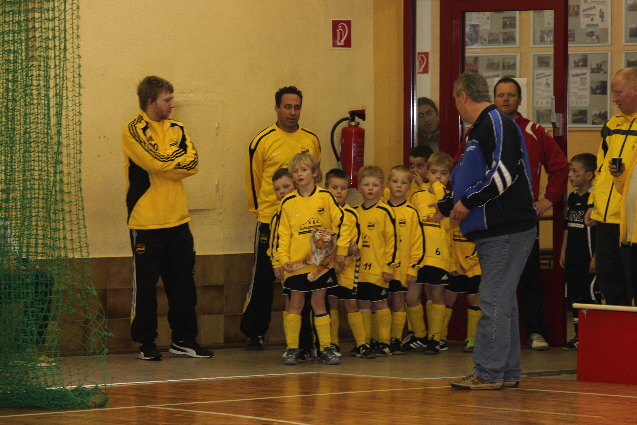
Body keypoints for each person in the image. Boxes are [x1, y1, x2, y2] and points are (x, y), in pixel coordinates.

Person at [440, 70, 536, 390]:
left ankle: (488, 371)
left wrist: (467, 202)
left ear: (463, 96)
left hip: (506, 228)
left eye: (456, 101)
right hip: (493, 230)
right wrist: (445, 206)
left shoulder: (496, 122)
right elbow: (468, 177)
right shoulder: (477, 130)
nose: (456, 108)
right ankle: (506, 371)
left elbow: (503, 174)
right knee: (503, 301)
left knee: (492, 300)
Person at [122, 75, 212, 361]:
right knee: (146, 288)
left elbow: (193, 163)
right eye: (167, 100)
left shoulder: (178, 128)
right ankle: (146, 342)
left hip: (178, 220)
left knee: (183, 285)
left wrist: (165, 164)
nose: (172, 105)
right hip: (145, 222)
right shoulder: (133, 130)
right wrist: (172, 162)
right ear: (151, 102)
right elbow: (152, 163)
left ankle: (184, 339)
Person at [243, 86, 321, 350]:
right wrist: (264, 213)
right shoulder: (262, 141)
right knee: (263, 278)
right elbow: (253, 181)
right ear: (277, 108)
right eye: (287, 107)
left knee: (304, 278)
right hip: (270, 220)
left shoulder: (311, 139)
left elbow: (315, 178)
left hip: (303, 223)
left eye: (297, 107)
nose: (292, 112)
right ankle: (255, 332)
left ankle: (306, 339)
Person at [493, 77, 569, 350]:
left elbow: (560, 166)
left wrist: (549, 199)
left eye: (511, 95)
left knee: (528, 279)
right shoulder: (483, 131)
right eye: (501, 95)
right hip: (492, 220)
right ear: (493, 99)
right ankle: (495, 335)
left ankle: (536, 332)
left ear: (520, 100)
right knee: (493, 281)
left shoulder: (534, 131)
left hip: (524, 221)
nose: (505, 99)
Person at [271, 153, 346, 366]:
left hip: (320, 265)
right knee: (295, 304)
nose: (299, 174)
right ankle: (292, 349)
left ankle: (325, 348)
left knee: (319, 303)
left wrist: (341, 249)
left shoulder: (326, 197)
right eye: (295, 171)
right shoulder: (288, 202)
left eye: (303, 170)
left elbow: (342, 223)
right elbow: (283, 235)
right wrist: (283, 259)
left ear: (314, 172)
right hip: (296, 265)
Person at [584, 68, 637, 306]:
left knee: (631, 282)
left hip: (630, 222)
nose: (614, 99)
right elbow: (600, 170)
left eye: (618, 93)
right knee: (608, 280)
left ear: (635, 89)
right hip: (605, 219)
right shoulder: (611, 125)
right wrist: (592, 204)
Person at [324, 168, 375, 359]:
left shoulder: (352, 214)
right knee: (330, 302)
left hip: (347, 268)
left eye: (343, 188)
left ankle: (361, 343)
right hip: (327, 267)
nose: (339, 192)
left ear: (349, 191)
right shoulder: (323, 212)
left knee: (351, 303)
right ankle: (332, 343)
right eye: (334, 187)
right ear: (326, 189)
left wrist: (347, 254)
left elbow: (356, 243)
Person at [408, 152, 453, 355]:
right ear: (427, 172)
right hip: (418, 256)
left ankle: (436, 338)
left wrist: (440, 191)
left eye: (443, 173)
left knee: (437, 296)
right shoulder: (417, 195)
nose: (437, 177)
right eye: (433, 172)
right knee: (412, 297)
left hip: (438, 255)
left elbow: (450, 224)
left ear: (449, 176)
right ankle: (420, 335)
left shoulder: (450, 197)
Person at [353, 166, 398, 357]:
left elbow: (392, 241)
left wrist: (388, 266)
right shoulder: (354, 213)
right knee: (363, 303)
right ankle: (365, 342)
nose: (370, 188)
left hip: (379, 270)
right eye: (366, 184)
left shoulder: (385, 211)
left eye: (375, 185)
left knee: (380, 304)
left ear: (382, 188)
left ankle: (385, 342)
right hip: (359, 271)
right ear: (359, 188)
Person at [0, 215, 55, 366]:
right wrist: (3, 266)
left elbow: (12, 253)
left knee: (42, 279)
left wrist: (23, 264)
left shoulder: (1, 220)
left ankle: (26, 349)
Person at [384, 165, 425, 355]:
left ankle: (396, 340)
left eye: (403, 182)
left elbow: (418, 242)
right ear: (387, 184)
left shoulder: (411, 212)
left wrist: (413, 267)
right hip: (383, 268)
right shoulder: (382, 209)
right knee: (383, 302)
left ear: (409, 187)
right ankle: (381, 339)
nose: (399, 186)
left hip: (403, 268)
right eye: (395, 181)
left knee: (399, 300)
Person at [560, 153, 598, 351]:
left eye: (575, 171)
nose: (570, 175)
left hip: (588, 258)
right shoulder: (572, 197)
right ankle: (578, 336)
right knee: (575, 297)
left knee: (589, 296)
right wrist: (563, 251)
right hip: (573, 257)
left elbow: (600, 232)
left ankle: (591, 335)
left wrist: (596, 257)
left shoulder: (595, 198)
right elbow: (568, 227)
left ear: (589, 175)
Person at [444, 224, 482, 353]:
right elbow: (448, 245)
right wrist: (452, 265)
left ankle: (472, 339)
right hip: (456, 268)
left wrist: (468, 263)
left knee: (473, 300)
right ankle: (441, 337)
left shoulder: (477, 223)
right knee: (447, 299)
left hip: (475, 268)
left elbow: (482, 246)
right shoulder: (453, 224)